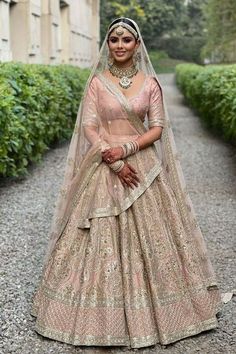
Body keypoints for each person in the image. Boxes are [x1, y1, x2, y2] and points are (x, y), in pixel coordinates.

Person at [30, 17, 223, 349]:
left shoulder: (150, 83)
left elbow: (157, 128)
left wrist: (128, 149)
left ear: (137, 44)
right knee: (95, 233)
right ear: (108, 44)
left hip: (143, 169)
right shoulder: (97, 83)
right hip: (105, 164)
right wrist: (113, 157)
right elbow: (90, 126)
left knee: (157, 233)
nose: (119, 45)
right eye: (114, 39)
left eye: (126, 40)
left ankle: (163, 312)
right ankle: (97, 319)